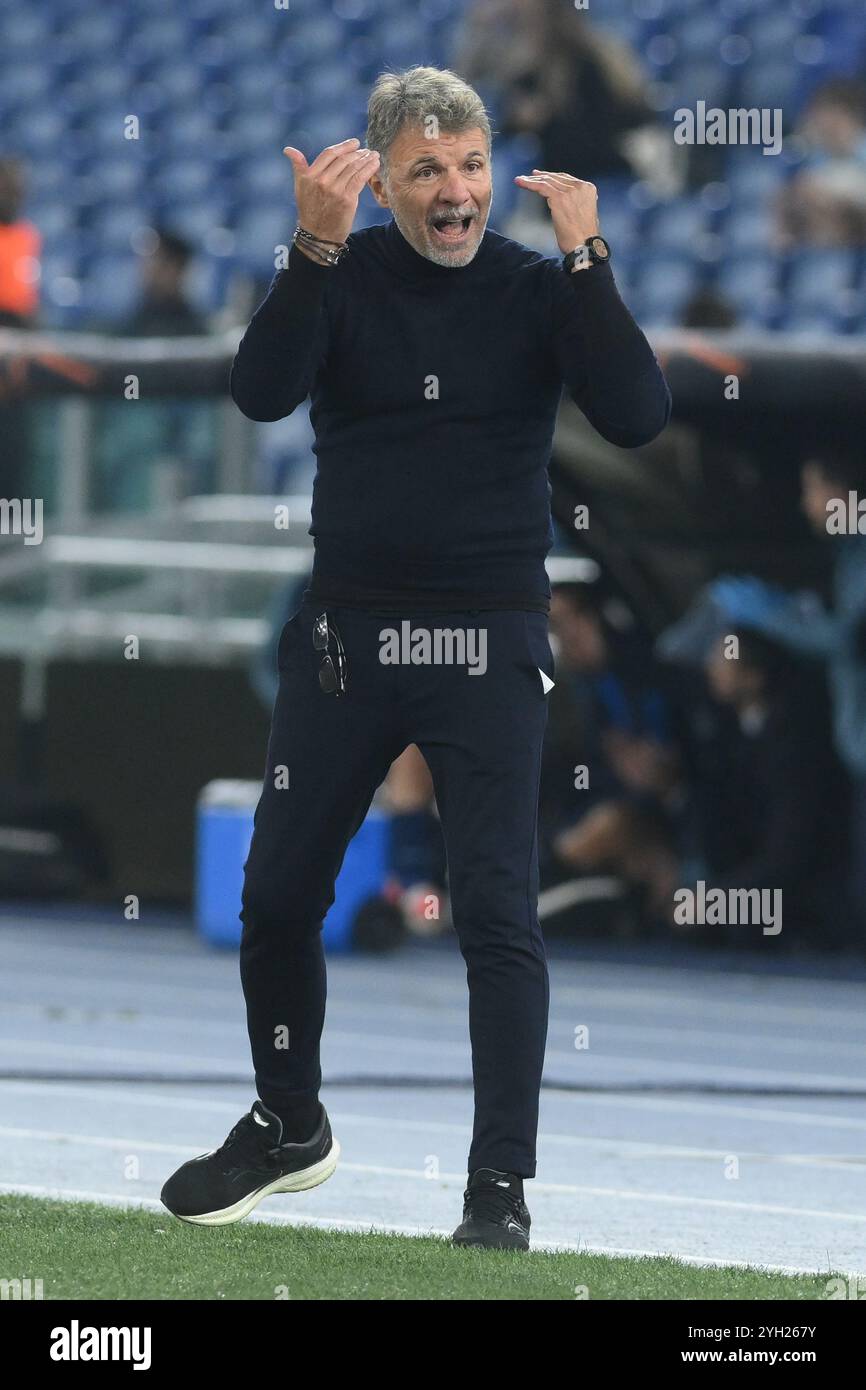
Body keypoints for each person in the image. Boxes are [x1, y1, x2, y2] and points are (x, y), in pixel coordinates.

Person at [160, 65, 670, 1250]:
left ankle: (497, 1187)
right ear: (381, 181)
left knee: (495, 911)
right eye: (427, 171)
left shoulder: (541, 287)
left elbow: (638, 413)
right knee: (278, 894)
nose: (455, 194)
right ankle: (288, 1123)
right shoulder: (337, 269)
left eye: (472, 166)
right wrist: (310, 253)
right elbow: (258, 392)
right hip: (346, 632)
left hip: (488, 634)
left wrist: (590, 261)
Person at [711, 451, 866, 943]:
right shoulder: (849, 559)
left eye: (813, 489)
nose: (806, 505)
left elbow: (849, 639)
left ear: (846, 493)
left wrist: (769, 615)